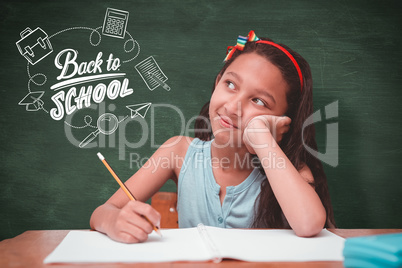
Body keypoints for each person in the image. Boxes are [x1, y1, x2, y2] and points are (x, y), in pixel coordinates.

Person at [90, 30, 336, 243]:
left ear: (283, 120)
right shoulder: (178, 151)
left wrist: (262, 140)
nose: (233, 107)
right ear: (218, 82)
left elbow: (309, 224)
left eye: (258, 101)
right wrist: (114, 220)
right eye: (230, 84)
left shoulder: (291, 171)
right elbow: (101, 212)